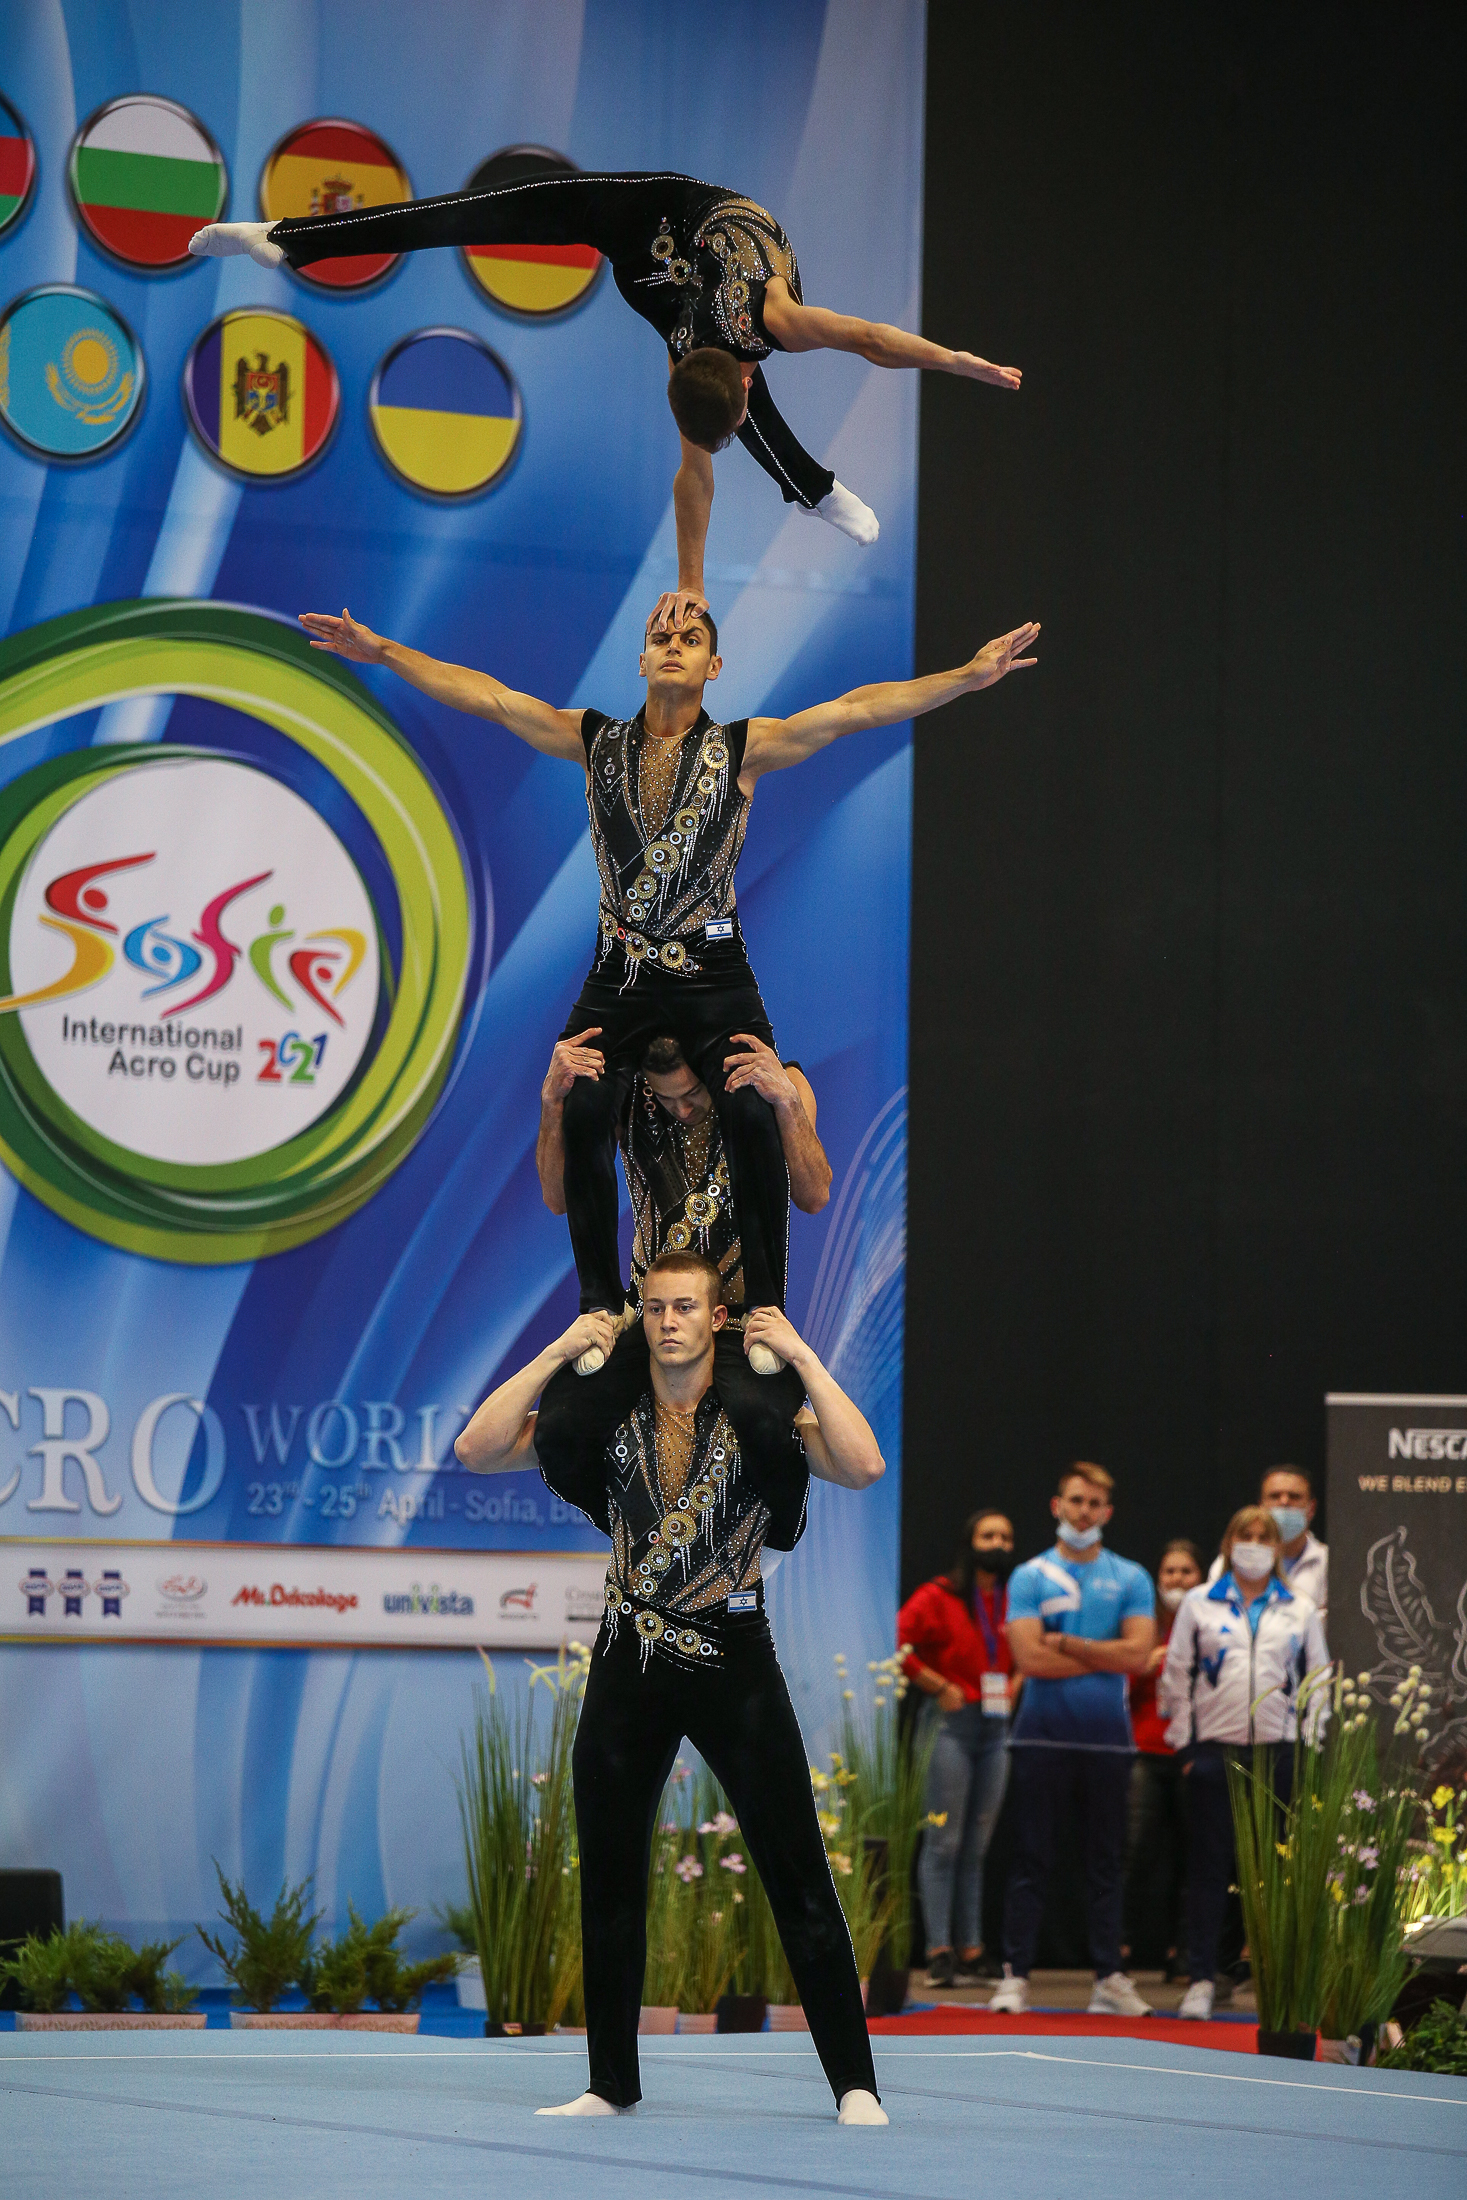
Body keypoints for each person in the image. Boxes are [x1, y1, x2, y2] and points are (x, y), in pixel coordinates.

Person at [300, 601, 1039, 1372]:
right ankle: (597, 1307)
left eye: (690, 640)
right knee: (586, 1101)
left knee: (752, 1102)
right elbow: (489, 697)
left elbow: (856, 710)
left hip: (711, 972)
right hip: (620, 971)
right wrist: (383, 651)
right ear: (642, 662)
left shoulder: (743, 747)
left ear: (713, 667)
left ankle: (765, 1313)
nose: (674, 646)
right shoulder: (593, 740)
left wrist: (965, 676)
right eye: (661, 638)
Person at [454, 1247, 888, 2124]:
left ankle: (855, 2085)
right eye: (653, 1308)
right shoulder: (605, 1418)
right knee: (609, 1881)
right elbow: (476, 1448)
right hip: (629, 1660)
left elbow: (862, 1465)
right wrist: (555, 1352)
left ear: (716, 1318)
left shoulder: (760, 1418)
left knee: (798, 1876)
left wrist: (802, 1357)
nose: (668, 1322)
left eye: (685, 1307)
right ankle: (609, 2083)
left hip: (735, 1659)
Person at [190, 169, 1020, 577]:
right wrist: (692, 587)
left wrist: (957, 361)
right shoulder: (739, 336)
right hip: (656, 240)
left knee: (737, 426)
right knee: (480, 214)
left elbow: (868, 339)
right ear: (737, 384)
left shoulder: (734, 336)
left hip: (663, 248)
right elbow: (700, 477)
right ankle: (288, 239)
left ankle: (810, 488)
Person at [988, 1462, 1156, 2017]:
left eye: (1094, 1504)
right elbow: (1029, 1659)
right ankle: (1014, 1976)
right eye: (1076, 1501)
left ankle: (1109, 1978)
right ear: (1057, 1505)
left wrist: (1066, 1643)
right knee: (1030, 1860)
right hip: (1040, 1739)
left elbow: (1139, 1657)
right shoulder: (1030, 1575)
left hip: (1108, 1743)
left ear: (1107, 1512)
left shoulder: (1131, 1576)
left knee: (1106, 1864)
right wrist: (1104, 1655)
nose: (1084, 1512)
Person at [1160, 1505, 1330, 2021]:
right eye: (1245, 1535)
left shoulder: (1298, 1608)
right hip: (1216, 1752)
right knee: (1209, 1870)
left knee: (1277, 1871)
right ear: (1229, 1543)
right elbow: (1176, 1674)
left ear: (1276, 1548)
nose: (1254, 1544)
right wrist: (1185, 1748)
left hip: (1279, 1752)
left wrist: (1309, 1743)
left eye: (1263, 1536)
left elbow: (1318, 1679)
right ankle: (1202, 1978)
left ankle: (1275, 1980)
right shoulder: (1199, 1603)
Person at [898, 1510, 1017, 1988]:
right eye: (989, 1535)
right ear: (970, 1543)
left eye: (1005, 1536)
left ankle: (971, 1948)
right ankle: (939, 1950)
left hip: (997, 1727)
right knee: (943, 1841)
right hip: (950, 1724)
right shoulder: (938, 1595)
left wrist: (1018, 1684)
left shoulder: (1016, 1598)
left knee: (978, 1843)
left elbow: (1029, 1651)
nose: (998, 1543)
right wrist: (937, 1684)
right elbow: (899, 1643)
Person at [1122, 1539, 1204, 1981]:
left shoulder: (1211, 1622)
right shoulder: (1143, 1625)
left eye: (1186, 1572)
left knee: (1193, 1858)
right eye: (1170, 1572)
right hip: (1146, 1752)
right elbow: (1117, 1680)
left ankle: (1184, 1952)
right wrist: (1144, 1665)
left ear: (1200, 1577)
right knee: (1136, 1852)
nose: (1177, 1580)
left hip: (1193, 1753)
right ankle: (1119, 1948)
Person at [1206, 1466, 1327, 1625]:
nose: (1284, 1502)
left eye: (1294, 1496)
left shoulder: (1330, 1562)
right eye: (1275, 1496)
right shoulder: (1227, 1563)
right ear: (1261, 1506)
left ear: (1311, 1508)